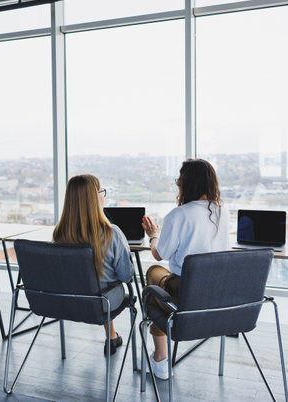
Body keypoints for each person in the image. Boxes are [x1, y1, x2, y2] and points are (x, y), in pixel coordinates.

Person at [142, 158, 229, 379]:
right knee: (159, 289)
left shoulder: (179, 215)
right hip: (219, 295)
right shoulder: (222, 210)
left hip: (186, 294)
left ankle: (161, 358)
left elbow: (160, 254)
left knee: (153, 276)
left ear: (185, 184)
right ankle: (161, 357)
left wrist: (153, 236)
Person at [53, 174, 134, 355]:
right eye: (101, 191)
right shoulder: (111, 233)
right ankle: (112, 337)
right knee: (104, 287)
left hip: (68, 301)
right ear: (94, 198)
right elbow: (126, 276)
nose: (103, 195)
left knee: (96, 287)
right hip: (102, 302)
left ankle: (112, 336)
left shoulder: (59, 234)